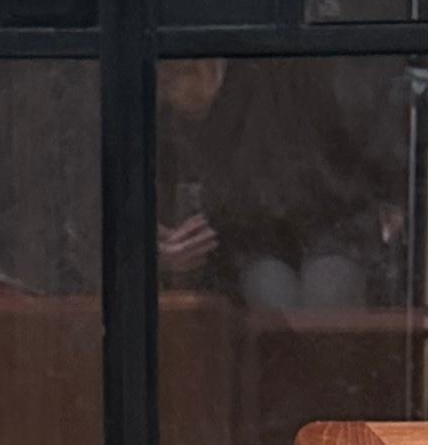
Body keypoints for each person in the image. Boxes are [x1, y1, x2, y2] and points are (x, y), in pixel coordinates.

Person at [155, 56, 408, 317]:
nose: (169, 95)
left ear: (201, 69)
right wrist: (163, 252)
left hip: (333, 229)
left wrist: (386, 207)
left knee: (330, 289)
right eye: (163, 86)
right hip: (244, 253)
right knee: (270, 293)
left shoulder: (293, 81)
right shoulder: (163, 127)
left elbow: (368, 167)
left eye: (172, 80)